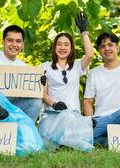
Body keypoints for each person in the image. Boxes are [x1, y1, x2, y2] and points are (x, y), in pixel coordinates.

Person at [38, 12, 94, 146]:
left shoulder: (77, 66)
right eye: (59, 44)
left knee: (79, 142)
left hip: (72, 115)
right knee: (45, 144)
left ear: (71, 48)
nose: (62, 47)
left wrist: (84, 32)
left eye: (66, 44)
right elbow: (42, 93)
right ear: (55, 47)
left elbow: (90, 54)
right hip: (51, 114)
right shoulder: (45, 66)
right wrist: (54, 103)